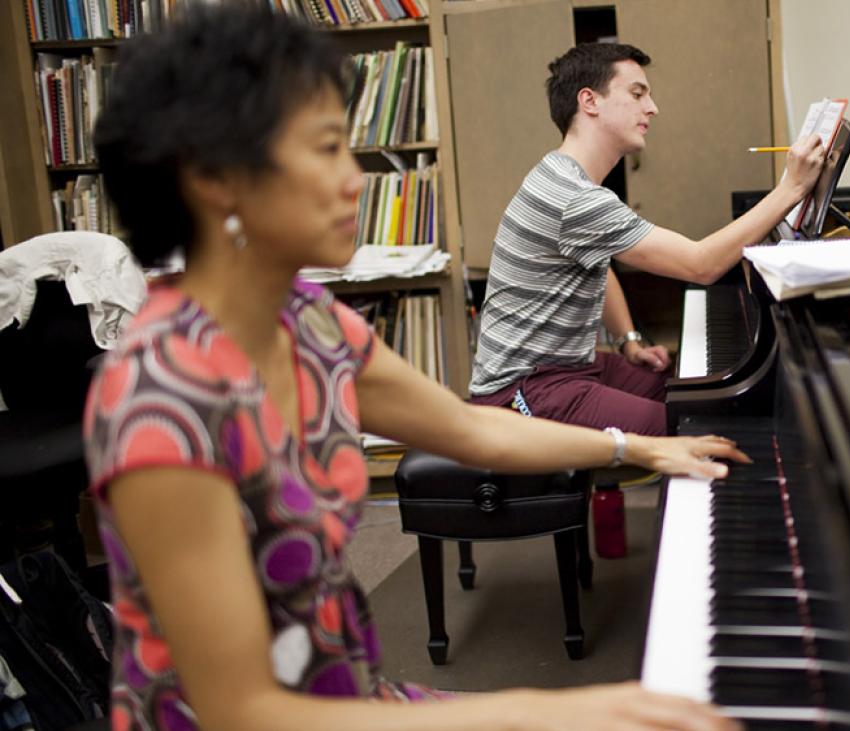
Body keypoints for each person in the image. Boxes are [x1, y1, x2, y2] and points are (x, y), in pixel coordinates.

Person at [86, 5, 746, 730]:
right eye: (327, 149)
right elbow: (244, 713)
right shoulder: (158, 400)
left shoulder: (308, 322)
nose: (355, 180)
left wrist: (642, 447)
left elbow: (473, 429)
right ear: (217, 178)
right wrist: (540, 710)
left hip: (348, 694)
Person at [468, 43, 824, 436]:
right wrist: (790, 189)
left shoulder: (561, 176)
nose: (652, 108)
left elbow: (599, 269)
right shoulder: (575, 198)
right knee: (696, 431)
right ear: (589, 101)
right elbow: (701, 264)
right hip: (522, 393)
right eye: (638, 94)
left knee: (683, 389)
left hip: (567, 369)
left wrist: (628, 340)